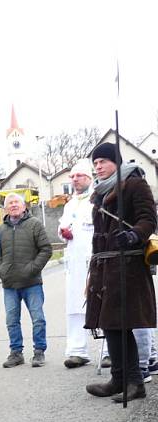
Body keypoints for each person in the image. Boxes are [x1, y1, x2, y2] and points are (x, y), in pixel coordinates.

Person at [85, 142, 157, 402]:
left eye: (103, 161)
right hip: (105, 266)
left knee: (122, 323)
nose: (99, 166)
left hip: (128, 265)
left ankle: (136, 382)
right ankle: (118, 378)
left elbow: (149, 218)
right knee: (111, 324)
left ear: (116, 162)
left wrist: (134, 234)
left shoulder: (135, 183)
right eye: (95, 163)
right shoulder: (100, 192)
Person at [0, 193, 52, 368]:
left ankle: (39, 352)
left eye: (16, 202)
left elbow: (46, 249)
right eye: (10, 203)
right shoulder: (1, 230)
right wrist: (1, 271)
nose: (13, 205)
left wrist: (32, 268)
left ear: (23, 206)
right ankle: (16, 353)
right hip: (9, 284)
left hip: (32, 283)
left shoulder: (34, 224)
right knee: (11, 320)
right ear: (5, 208)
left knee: (38, 318)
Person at [58, 160, 96, 368]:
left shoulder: (98, 199)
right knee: (74, 306)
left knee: (101, 305)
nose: (75, 180)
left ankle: (108, 350)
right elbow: (63, 226)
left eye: (79, 176)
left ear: (89, 178)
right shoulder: (70, 204)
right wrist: (64, 233)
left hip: (93, 261)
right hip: (74, 263)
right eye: (72, 177)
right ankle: (77, 350)